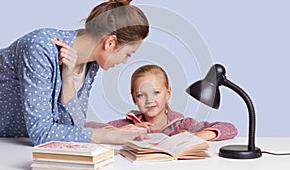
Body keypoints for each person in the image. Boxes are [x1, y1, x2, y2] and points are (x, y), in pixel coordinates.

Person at [0, 0, 149, 146]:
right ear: (110, 43)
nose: (124, 61)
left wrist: (68, 80)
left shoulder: (91, 64)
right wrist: (110, 136)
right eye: (127, 54)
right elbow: (42, 133)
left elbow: (74, 125)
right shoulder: (39, 48)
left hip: (4, 145)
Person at [85, 64, 238, 141]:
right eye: (141, 95)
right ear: (134, 99)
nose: (150, 100)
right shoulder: (127, 125)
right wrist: (123, 131)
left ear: (168, 93)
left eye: (156, 93)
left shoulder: (182, 124)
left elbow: (230, 129)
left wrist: (195, 137)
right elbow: (87, 127)